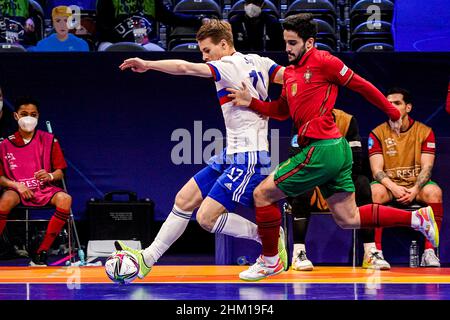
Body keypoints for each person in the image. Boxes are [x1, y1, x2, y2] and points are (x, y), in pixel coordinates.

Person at [226, 13, 439, 281]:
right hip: (332, 150)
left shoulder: (324, 61)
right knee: (348, 218)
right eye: (285, 43)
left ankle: (270, 261)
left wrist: (390, 110)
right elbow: (281, 111)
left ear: (310, 42)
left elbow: (361, 85)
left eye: (293, 43)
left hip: (323, 148)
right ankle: (417, 219)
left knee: (262, 194)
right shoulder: (289, 74)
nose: (287, 49)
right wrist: (252, 102)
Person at [115, 19, 288, 280]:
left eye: (207, 50)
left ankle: (269, 235)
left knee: (207, 219)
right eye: (202, 52)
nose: (204, 56)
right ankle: (147, 259)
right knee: (184, 199)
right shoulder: (259, 61)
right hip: (231, 153)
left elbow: (185, 67)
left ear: (224, 44)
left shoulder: (226, 65)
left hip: (248, 157)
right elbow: (293, 78)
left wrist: (148, 63)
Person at [288, 108, 390, 271]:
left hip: (340, 180)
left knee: (363, 183)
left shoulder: (347, 120)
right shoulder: (302, 118)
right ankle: (298, 254)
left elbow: (356, 161)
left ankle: (370, 252)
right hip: (312, 180)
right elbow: (295, 156)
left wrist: (335, 181)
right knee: (301, 186)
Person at [369, 87, 443, 267]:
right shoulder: (377, 133)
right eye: (388, 103)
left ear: (408, 107)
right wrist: (394, 188)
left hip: (415, 187)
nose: (392, 106)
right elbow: (376, 171)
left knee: (434, 192)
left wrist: (414, 190)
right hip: (390, 187)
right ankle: (376, 252)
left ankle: (429, 251)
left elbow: (427, 168)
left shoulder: (424, 132)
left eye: (397, 103)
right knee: (374, 191)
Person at [0, 97, 72, 266]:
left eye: (33, 114)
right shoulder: (4, 144)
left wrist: (50, 176)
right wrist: (16, 185)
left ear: (38, 116)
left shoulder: (49, 140)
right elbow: (1, 178)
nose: (29, 118)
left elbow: (60, 172)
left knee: (65, 199)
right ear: (16, 116)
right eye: (24, 114)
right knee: (5, 200)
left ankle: (41, 252)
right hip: (17, 189)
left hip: (44, 188)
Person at [96, 0, 207, 51]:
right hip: (112, 41)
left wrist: (199, 20)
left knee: (159, 55)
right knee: (104, 52)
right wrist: (129, 43)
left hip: (144, 42)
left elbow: (170, 17)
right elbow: (103, 26)